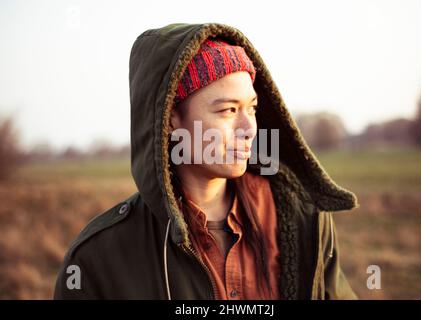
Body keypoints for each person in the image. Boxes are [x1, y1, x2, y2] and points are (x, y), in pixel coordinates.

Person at [54, 22, 359, 300]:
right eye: (228, 110)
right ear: (171, 119)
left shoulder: (302, 219)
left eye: (251, 108)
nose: (250, 129)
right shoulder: (99, 258)